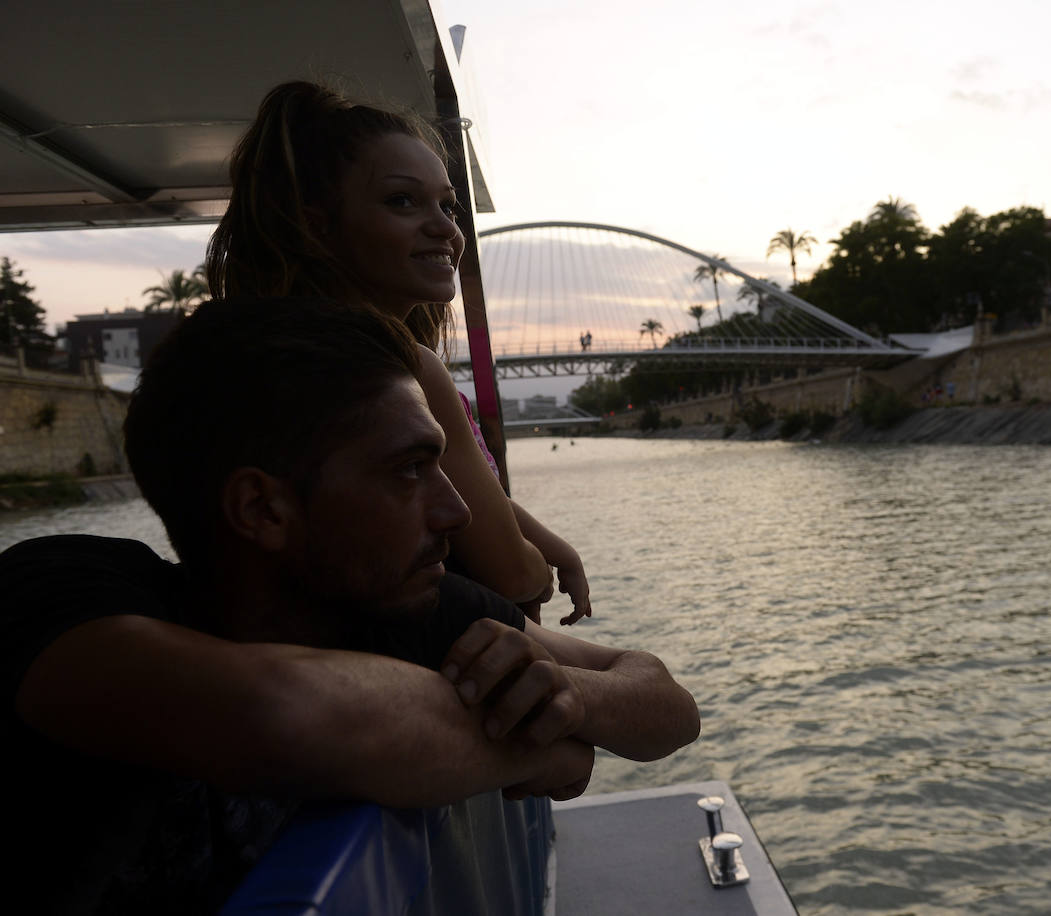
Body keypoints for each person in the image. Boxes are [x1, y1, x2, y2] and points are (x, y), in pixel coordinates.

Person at [2, 297, 699, 914]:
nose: (455, 510)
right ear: (262, 509)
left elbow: (667, 706)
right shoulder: (56, 593)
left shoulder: (400, 599)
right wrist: (535, 748)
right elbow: (290, 711)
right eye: (409, 470)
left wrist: (571, 697)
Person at [205, 80, 590, 626]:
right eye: (402, 201)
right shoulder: (405, 370)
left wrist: (545, 540)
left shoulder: (292, 358)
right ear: (317, 225)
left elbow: (463, 488)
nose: (445, 229)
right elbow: (512, 576)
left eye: (448, 205)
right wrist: (533, 567)